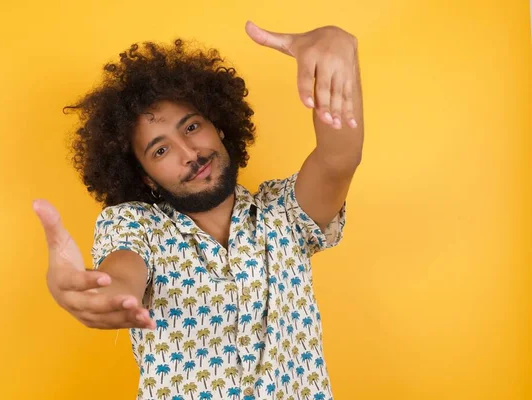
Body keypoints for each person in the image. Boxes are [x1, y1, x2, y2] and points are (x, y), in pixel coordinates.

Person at [34, 21, 363, 400]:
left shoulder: (285, 213)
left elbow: (339, 158)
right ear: (146, 179)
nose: (189, 154)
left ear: (219, 127)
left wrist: (338, 45)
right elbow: (121, 275)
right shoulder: (135, 226)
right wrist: (95, 294)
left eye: (191, 127)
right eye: (160, 150)